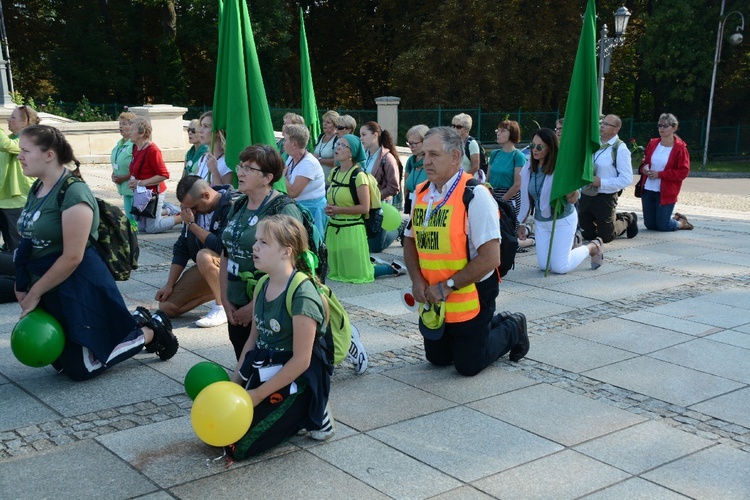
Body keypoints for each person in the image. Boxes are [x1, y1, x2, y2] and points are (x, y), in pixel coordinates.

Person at [13, 125, 178, 380]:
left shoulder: (73, 192)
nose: (19, 155)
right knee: (61, 365)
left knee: (81, 369)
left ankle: (149, 331)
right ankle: (132, 318)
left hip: (78, 286)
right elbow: (28, 241)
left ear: (49, 155)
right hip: (50, 285)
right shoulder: (38, 188)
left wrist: (34, 293)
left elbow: (72, 257)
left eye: (25, 150)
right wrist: (22, 283)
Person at [402, 126, 528, 376]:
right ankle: (485, 325)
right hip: (435, 295)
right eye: (424, 154)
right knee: (437, 358)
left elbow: (491, 258)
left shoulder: (475, 195)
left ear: (455, 157)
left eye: (434, 155)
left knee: (468, 365)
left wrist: (448, 285)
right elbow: (409, 241)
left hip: (472, 290)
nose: (426, 161)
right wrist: (417, 280)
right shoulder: (422, 193)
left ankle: (513, 326)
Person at [229, 214, 333, 459]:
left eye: (264, 243)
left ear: (287, 252)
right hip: (267, 365)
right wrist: (235, 385)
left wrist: (257, 395)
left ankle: (313, 405)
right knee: (225, 428)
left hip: (296, 373)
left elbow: (301, 361)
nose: (254, 247)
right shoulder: (262, 283)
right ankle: (295, 412)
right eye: (256, 241)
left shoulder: (302, 295)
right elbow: (253, 340)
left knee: (241, 446)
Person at [220, 145, 305, 359]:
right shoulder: (238, 205)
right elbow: (226, 252)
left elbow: (294, 263)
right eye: (241, 166)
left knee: (267, 363)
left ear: (267, 177)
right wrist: (224, 297)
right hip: (235, 300)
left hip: (269, 304)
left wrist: (254, 307)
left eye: (249, 168)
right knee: (244, 358)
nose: (240, 172)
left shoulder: (283, 209)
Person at [156, 176, 242, 327]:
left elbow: (221, 247)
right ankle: (223, 292)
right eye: (188, 208)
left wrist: (191, 224)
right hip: (211, 269)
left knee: (204, 256)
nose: (192, 211)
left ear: (206, 195)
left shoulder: (232, 205)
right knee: (167, 307)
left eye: (194, 207)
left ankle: (221, 306)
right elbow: (182, 248)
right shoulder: (194, 211)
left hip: (234, 268)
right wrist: (169, 284)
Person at [517, 128, 604, 273]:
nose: (534, 150)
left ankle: (593, 247)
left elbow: (574, 199)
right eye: (532, 145)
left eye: (539, 146)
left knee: (559, 267)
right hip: (541, 221)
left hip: (562, 219)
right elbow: (527, 200)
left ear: (550, 148)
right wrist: (522, 223)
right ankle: (566, 249)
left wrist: (569, 190)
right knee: (544, 266)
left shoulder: (561, 169)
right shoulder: (528, 169)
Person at [325, 135, 401, 283]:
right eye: (337, 144)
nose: (337, 148)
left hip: (352, 229)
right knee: (339, 271)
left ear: (351, 153)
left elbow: (364, 207)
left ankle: (391, 268)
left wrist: (338, 210)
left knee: (359, 273)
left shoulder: (359, 176)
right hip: (335, 228)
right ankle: (371, 261)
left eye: (343, 145)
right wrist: (329, 209)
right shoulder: (334, 173)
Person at [579, 114, 637, 243]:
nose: (602, 126)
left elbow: (626, 179)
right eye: (602, 123)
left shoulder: (620, 149)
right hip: (587, 193)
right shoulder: (594, 144)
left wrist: (601, 182)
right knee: (587, 234)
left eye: (606, 124)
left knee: (605, 236)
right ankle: (610, 219)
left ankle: (628, 218)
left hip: (605, 196)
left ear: (615, 129)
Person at [0, 105, 38, 303]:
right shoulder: (12, 138)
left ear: (26, 122)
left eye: (13, 118)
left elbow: (6, 146)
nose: (8, 121)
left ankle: (23, 284)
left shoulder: (28, 139)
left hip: (16, 201)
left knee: (16, 246)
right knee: (9, 247)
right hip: (4, 199)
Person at [127, 117, 182, 233]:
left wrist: (140, 182)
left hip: (154, 193)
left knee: (152, 228)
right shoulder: (136, 147)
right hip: (142, 193)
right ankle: (167, 210)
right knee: (141, 228)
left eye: (132, 130)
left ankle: (182, 217)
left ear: (141, 133)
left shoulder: (152, 150)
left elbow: (164, 175)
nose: (129, 132)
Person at [638, 113, 692, 231]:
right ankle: (672, 219)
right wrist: (644, 170)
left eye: (665, 126)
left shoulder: (680, 148)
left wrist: (660, 175)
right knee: (650, 225)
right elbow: (644, 163)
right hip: (648, 189)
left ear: (674, 127)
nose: (661, 128)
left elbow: (683, 172)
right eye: (659, 125)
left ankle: (681, 222)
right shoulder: (653, 143)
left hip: (666, 191)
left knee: (663, 226)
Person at [283, 124, 327, 238]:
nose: (283, 143)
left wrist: (281, 176)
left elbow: (293, 192)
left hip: (311, 213)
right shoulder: (291, 158)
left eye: (286, 139)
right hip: (299, 209)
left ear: (294, 144)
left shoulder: (309, 163)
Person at [488, 120, 526, 219]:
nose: (498, 133)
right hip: (493, 197)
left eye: (503, 131)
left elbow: (517, 185)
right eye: (498, 130)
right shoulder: (494, 154)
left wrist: (501, 201)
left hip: (509, 200)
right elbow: (487, 180)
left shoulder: (518, 156)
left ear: (512, 134)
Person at [110, 111, 137, 228]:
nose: (121, 126)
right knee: (129, 216)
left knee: (138, 217)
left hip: (133, 186)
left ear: (132, 126)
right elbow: (117, 161)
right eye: (120, 124)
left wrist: (123, 177)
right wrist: (114, 174)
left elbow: (136, 167)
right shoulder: (119, 144)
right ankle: (133, 232)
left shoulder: (134, 144)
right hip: (124, 187)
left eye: (124, 124)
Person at [195, 111, 233, 185]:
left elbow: (224, 194)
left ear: (218, 132)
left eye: (206, 126)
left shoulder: (227, 163)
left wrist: (214, 172)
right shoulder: (203, 158)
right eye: (201, 126)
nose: (200, 131)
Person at [403, 124, 429, 215]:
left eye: (414, 143)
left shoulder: (430, 161)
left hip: (426, 208)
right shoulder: (411, 161)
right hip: (412, 207)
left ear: (425, 141)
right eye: (409, 143)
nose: (411, 146)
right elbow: (406, 186)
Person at [313, 110, 340, 180]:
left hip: (329, 180)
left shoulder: (337, 139)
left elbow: (338, 161)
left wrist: (320, 159)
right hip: (316, 179)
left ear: (335, 125)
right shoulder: (321, 136)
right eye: (324, 121)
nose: (324, 124)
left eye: (328, 122)